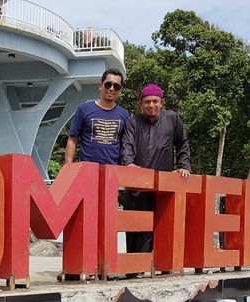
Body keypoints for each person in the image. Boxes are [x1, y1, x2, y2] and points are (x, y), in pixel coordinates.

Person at [121, 84, 191, 254]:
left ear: (162, 103)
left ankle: (147, 266)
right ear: (141, 104)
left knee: (157, 227)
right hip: (137, 185)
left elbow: (183, 143)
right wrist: (129, 163)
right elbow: (127, 145)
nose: (151, 105)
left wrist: (184, 166)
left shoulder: (172, 119)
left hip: (162, 188)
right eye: (147, 102)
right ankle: (133, 268)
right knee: (133, 225)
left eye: (155, 101)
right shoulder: (133, 122)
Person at [65, 69, 129, 166]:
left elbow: (125, 144)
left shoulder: (124, 114)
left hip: (113, 171)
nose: (111, 89)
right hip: (87, 170)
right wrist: (68, 167)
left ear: (120, 90)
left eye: (116, 86)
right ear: (100, 86)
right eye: (108, 84)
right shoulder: (84, 109)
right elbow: (73, 139)